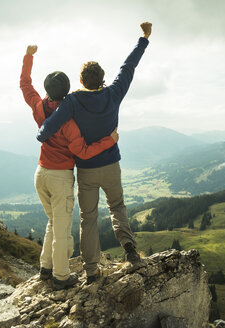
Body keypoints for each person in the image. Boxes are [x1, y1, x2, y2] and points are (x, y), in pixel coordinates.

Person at [36, 22, 152, 283]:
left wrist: (42, 134)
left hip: (86, 170)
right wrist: (143, 38)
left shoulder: (72, 102)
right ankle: (130, 250)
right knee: (117, 207)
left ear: (80, 81)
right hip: (111, 165)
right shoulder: (114, 93)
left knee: (88, 219)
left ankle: (90, 270)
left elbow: (45, 131)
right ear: (102, 78)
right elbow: (128, 67)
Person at [20, 44, 119, 290]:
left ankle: (46, 267)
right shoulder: (68, 122)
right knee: (62, 229)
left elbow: (25, 84)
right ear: (67, 92)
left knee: (53, 222)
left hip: (40, 174)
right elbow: (83, 151)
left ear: (47, 90)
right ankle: (61, 277)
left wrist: (29, 56)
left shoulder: (37, 106)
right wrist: (110, 140)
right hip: (60, 178)